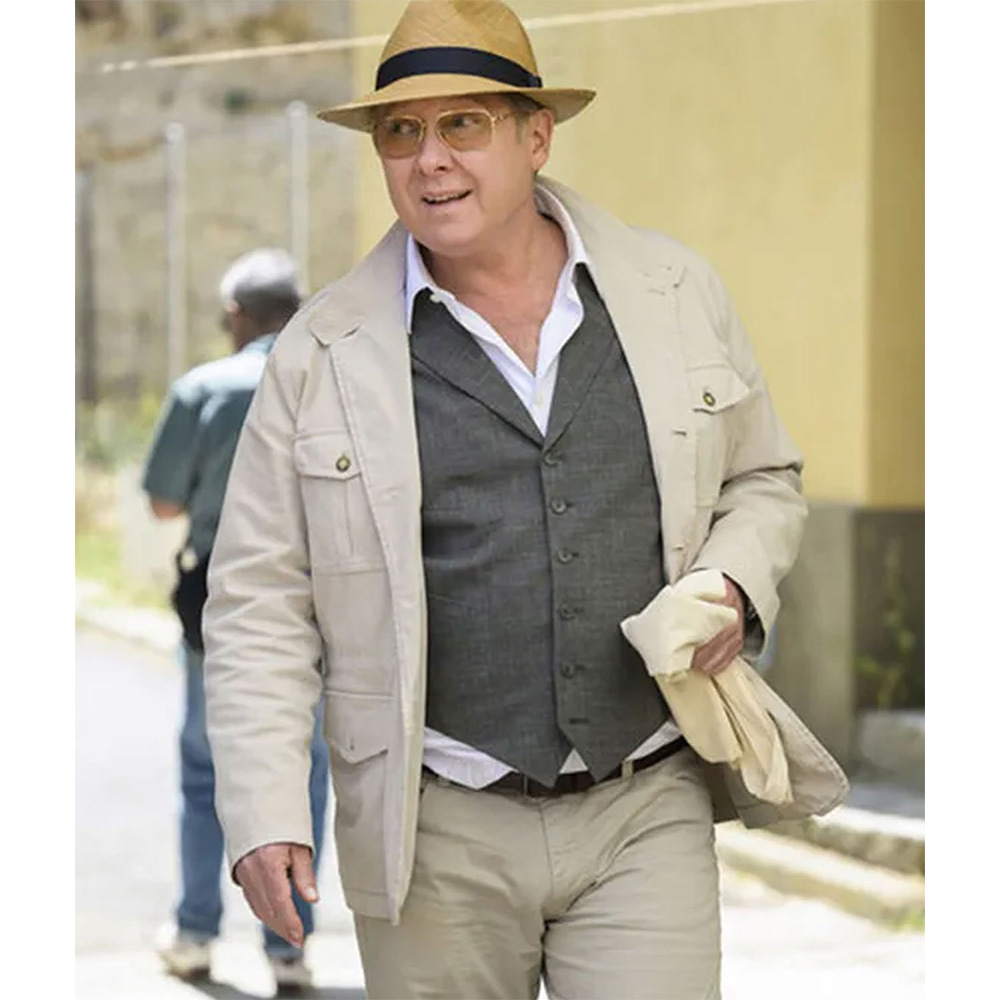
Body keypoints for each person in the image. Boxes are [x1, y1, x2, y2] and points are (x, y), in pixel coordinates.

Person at [203, 3, 844, 997]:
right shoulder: (320, 352)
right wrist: (265, 810)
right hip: (433, 828)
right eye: (401, 132)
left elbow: (760, 477)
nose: (430, 160)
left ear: (535, 136)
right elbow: (259, 599)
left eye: (463, 124)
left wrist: (731, 582)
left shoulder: (674, 291)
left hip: (644, 799)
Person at [142, 248, 329, 991]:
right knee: (304, 768)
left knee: (205, 768)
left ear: (234, 317)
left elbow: (162, 502)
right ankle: (291, 945)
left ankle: (194, 934)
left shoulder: (204, 388)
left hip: (221, 602)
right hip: (319, 600)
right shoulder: (330, 382)